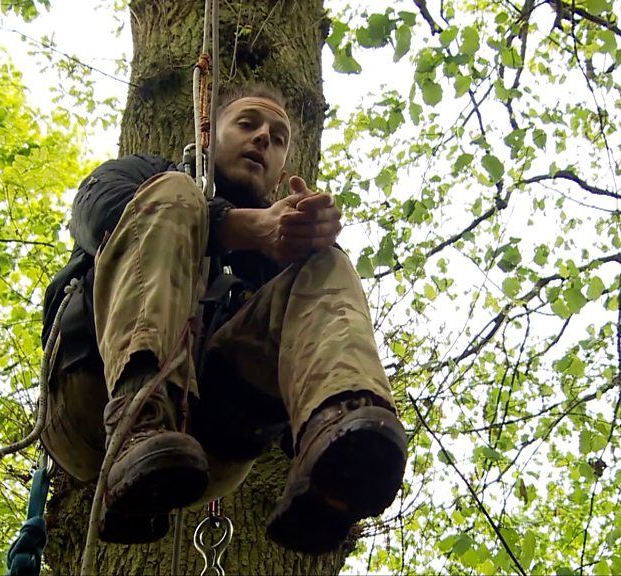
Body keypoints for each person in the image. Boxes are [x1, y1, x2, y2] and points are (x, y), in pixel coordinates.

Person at [39, 84, 406, 554]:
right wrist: (241, 227)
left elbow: (308, 318)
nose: (262, 141)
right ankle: (139, 415)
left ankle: (339, 441)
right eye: (248, 124)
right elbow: (100, 214)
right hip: (90, 396)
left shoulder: (280, 248)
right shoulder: (144, 175)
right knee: (176, 194)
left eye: (277, 138)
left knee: (327, 263)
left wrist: (308, 239)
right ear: (210, 134)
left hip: (217, 433)